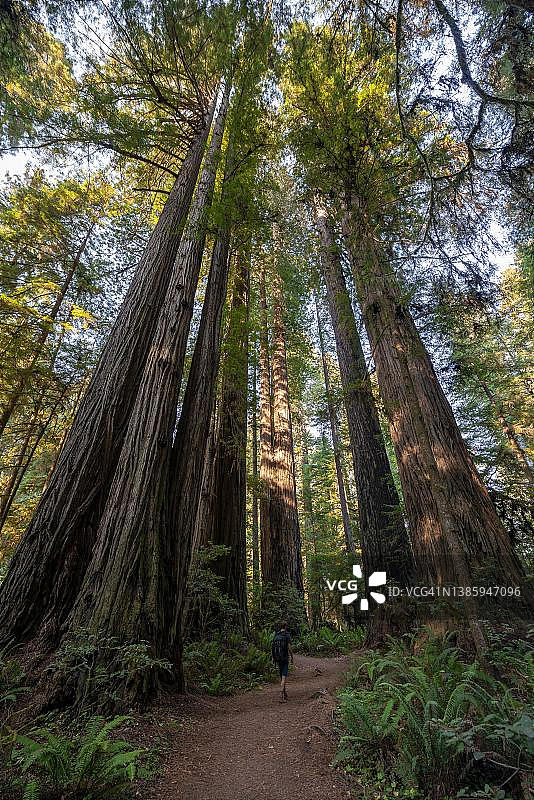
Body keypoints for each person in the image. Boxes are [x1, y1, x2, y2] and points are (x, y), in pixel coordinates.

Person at [271, 621, 294, 702]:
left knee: (281, 676)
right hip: (284, 658)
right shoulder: (287, 635)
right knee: (284, 677)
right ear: (285, 627)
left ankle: (284, 693)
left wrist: (273, 658)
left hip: (278, 658)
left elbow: (273, 647)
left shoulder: (276, 635)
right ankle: (281, 695)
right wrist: (292, 657)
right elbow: (289, 648)